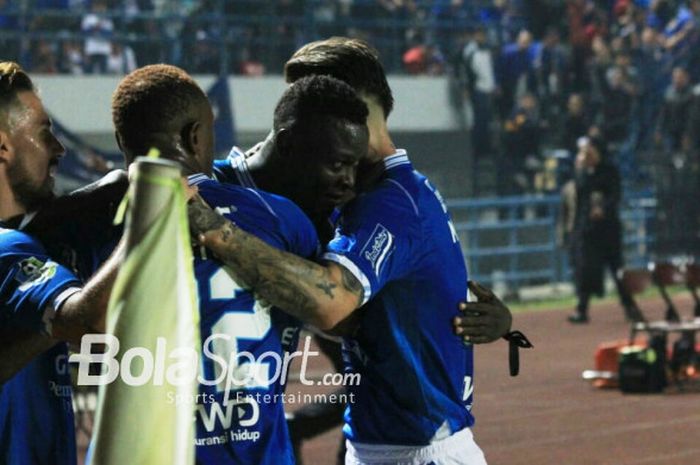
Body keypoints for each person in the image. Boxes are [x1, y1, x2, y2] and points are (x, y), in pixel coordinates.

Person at [189, 37, 512, 465]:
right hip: (375, 437)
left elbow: (332, 302)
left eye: (319, 98)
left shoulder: (389, 201)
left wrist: (217, 232)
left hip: (416, 450)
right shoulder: (347, 194)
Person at [110, 65, 368, 465]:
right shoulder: (274, 211)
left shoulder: (99, 221)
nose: (349, 181)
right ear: (196, 137)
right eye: (338, 165)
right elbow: (343, 316)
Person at [0, 61, 124, 465]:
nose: (59, 148)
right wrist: (151, 223)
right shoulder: (9, 248)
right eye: (42, 133)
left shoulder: (33, 243)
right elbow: (90, 322)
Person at [566, 136, 644, 324]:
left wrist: (604, 209)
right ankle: (582, 308)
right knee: (586, 270)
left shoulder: (609, 171)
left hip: (608, 230)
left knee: (617, 270)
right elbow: (580, 194)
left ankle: (630, 307)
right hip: (589, 230)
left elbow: (615, 195)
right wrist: (581, 170)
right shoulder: (583, 172)